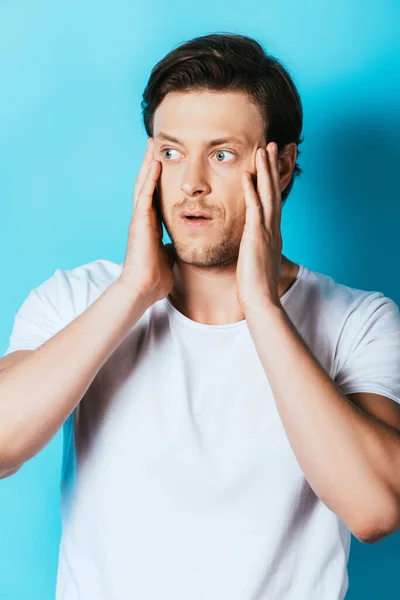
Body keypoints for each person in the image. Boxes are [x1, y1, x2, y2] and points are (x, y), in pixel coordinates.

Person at [1, 32, 400, 600]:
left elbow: (375, 509)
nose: (190, 183)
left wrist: (260, 306)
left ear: (281, 167)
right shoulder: (77, 298)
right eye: (170, 152)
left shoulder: (359, 320)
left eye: (221, 154)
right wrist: (134, 292)